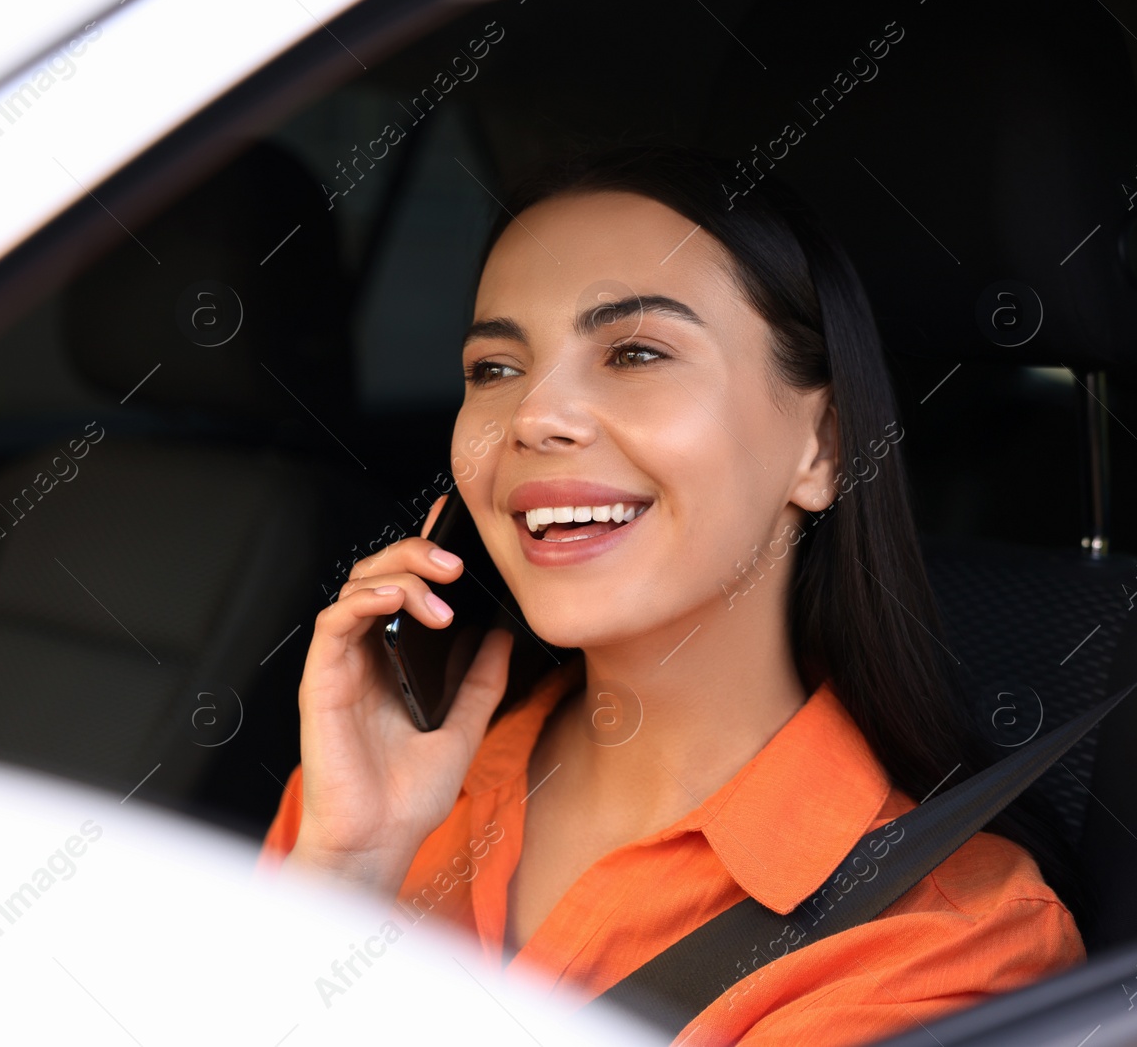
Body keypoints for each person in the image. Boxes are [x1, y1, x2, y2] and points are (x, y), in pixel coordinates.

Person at [258, 143, 1084, 1045]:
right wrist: (352, 865)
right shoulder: (375, 792)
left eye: (636, 351)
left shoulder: (948, 943)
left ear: (824, 450)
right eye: (495, 369)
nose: (534, 415)